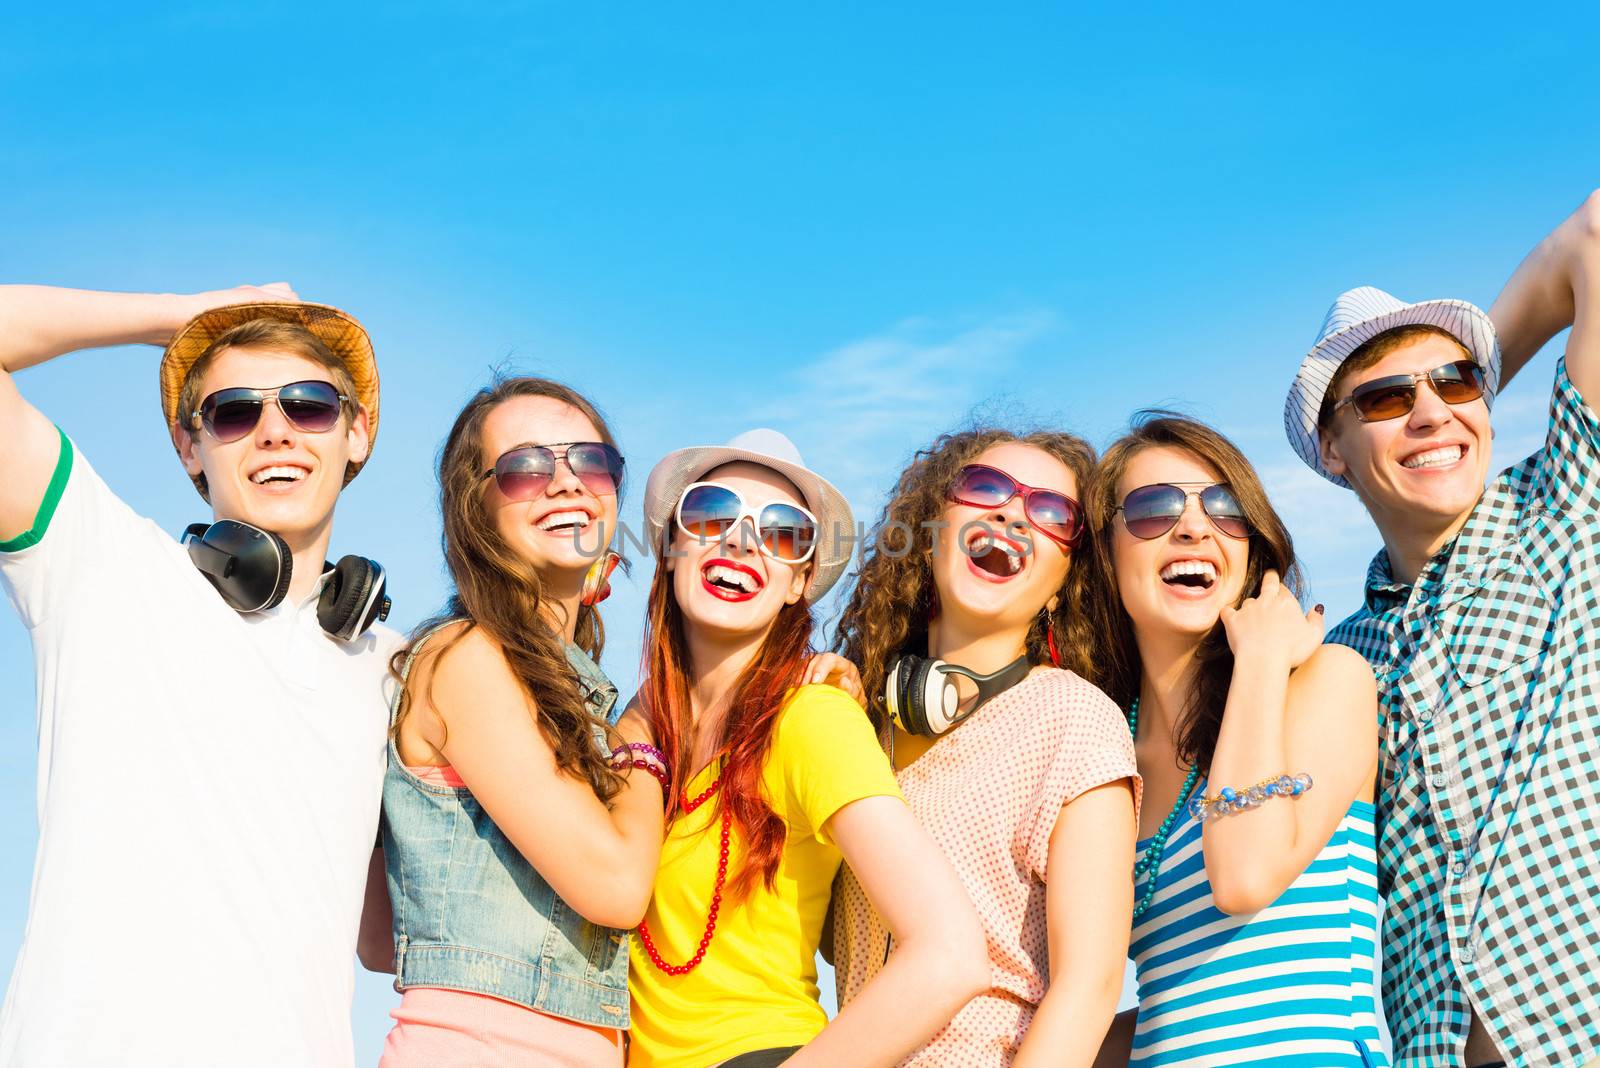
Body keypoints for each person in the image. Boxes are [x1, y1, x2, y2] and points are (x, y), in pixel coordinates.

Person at [0, 284, 398, 1065]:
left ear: (357, 432)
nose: (275, 431)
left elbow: (386, 943)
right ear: (191, 446)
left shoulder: (396, 669)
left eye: (310, 405)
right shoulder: (100, 565)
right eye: (234, 411)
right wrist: (187, 316)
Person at [1283, 191, 1600, 1068]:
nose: (1430, 411)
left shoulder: (1567, 506)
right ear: (1332, 450)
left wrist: (1462, 371)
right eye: (1384, 398)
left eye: (1453, 382)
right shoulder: (1336, 660)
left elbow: (1596, 230)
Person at [627, 429, 987, 1068]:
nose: (740, 540)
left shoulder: (812, 716)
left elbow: (951, 952)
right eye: (711, 514)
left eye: (782, 532)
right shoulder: (642, 736)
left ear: (799, 583)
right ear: (671, 547)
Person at [372, 377, 664, 1066]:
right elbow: (617, 887)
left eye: (591, 462)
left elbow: (384, 933)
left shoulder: (558, 682)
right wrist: (642, 736)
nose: (566, 483)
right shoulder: (471, 658)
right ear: (476, 508)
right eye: (527, 467)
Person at [831, 427, 1139, 1067]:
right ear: (932, 533)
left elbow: (1091, 984)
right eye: (985, 487)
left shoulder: (1076, 720)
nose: (1011, 512)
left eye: (1052, 513)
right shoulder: (857, 725)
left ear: (1063, 584)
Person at [1083, 414, 1385, 1067]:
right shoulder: (1106, 758)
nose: (1194, 527)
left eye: (1224, 509)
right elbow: (1171, 1001)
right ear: (1106, 552)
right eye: (1154, 508)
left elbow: (1244, 877)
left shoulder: (1326, 683)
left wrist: (1259, 662)